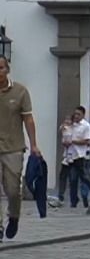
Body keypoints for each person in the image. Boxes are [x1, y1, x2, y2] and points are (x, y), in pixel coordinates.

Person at [0, 55, 41, 242]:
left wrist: (34, 144)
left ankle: (14, 216)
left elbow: (28, 118)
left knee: (12, 189)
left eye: (1, 68)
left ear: (7, 69)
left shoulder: (19, 91)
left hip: (13, 147)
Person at [66, 106, 90, 209]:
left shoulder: (86, 126)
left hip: (82, 155)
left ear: (83, 115)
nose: (76, 116)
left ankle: (87, 196)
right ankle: (73, 200)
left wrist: (73, 141)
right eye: (75, 114)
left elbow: (87, 141)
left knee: (84, 178)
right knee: (72, 179)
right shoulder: (72, 125)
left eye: (78, 114)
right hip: (72, 155)